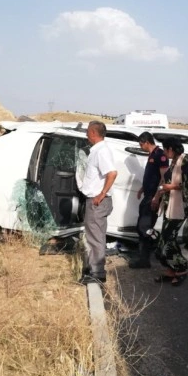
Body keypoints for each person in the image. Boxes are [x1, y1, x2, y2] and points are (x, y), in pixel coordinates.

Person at [152, 137, 188, 287]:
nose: (164, 153)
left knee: (168, 240)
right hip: (170, 206)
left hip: (180, 207)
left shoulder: (185, 162)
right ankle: (172, 269)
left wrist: (172, 187)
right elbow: (165, 181)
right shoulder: (174, 162)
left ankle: (181, 269)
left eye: (165, 149)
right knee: (165, 239)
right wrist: (157, 196)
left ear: (171, 148)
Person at [79, 121, 118, 285]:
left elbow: (112, 173)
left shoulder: (101, 151)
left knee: (95, 237)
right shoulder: (97, 150)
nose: (86, 135)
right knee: (96, 235)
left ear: (94, 133)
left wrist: (101, 195)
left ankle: (97, 273)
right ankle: (94, 267)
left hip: (97, 202)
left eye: (88, 132)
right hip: (96, 201)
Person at [129, 132, 169, 269]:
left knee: (144, 227)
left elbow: (164, 179)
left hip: (153, 197)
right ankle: (143, 258)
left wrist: (157, 197)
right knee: (142, 227)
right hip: (148, 195)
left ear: (146, 142)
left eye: (141, 144)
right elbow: (152, 176)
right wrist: (142, 188)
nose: (141, 147)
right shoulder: (151, 155)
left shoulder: (160, 155)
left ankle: (160, 242)